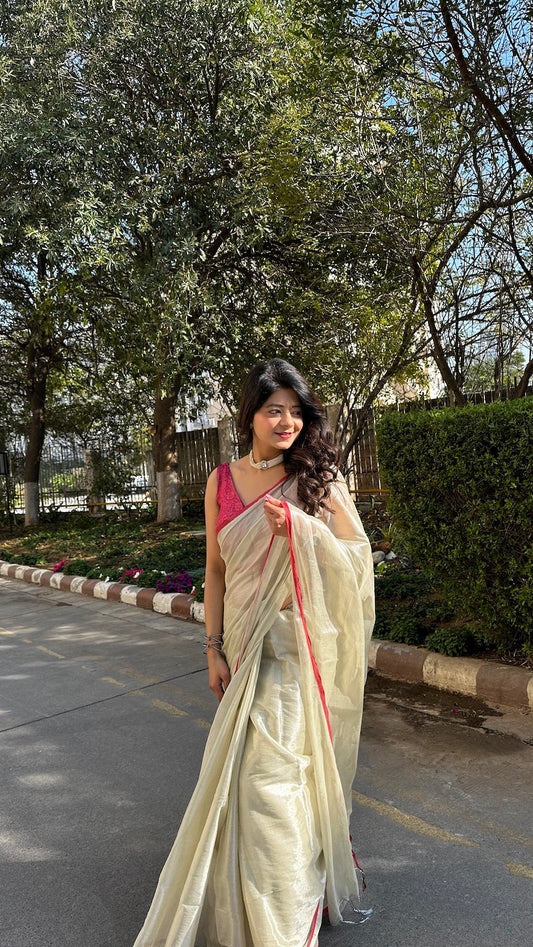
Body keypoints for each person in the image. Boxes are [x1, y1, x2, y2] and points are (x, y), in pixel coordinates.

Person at [133, 359, 375, 947]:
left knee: (272, 783)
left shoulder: (318, 478)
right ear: (250, 416)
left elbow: (357, 557)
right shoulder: (221, 481)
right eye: (274, 409)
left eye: (296, 411)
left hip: (293, 652)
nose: (287, 421)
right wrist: (212, 648)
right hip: (242, 648)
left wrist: (302, 528)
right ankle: (237, 900)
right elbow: (216, 571)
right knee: (239, 777)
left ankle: (285, 923)